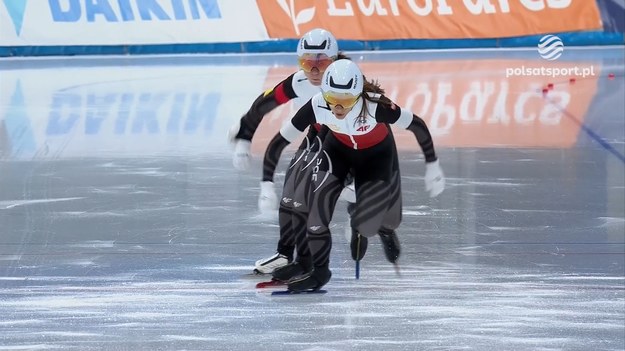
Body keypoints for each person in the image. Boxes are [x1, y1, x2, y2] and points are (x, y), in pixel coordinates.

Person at [260, 59, 445, 292]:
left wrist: (433, 164)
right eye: (332, 100)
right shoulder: (317, 104)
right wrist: (267, 182)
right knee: (316, 215)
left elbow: (417, 125)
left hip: (376, 157)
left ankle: (382, 229)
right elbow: (279, 141)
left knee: (377, 222)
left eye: (345, 101)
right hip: (338, 152)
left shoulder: (376, 107)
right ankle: (318, 270)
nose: (337, 108)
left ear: (358, 95)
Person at [228, 28, 362, 274]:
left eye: (321, 63)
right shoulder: (298, 82)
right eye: (306, 62)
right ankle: (285, 253)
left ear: (334, 61)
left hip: (349, 143)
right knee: (293, 191)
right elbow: (262, 105)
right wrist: (245, 137)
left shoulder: (350, 81)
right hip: (316, 136)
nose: (313, 70)